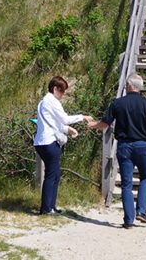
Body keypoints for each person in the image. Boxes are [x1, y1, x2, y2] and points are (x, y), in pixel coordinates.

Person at [88, 73, 146, 228]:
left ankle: (128, 220)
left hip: (124, 146)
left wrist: (92, 124)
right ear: (139, 87)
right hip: (142, 145)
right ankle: (141, 211)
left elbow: (105, 124)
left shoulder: (117, 103)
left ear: (128, 85)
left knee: (126, 183)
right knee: (145, 178)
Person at [33, 76, 92, 215]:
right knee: (52, 174)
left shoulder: (43, 102)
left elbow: (53, 122)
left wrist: (67, 130)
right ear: (55, 89)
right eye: (62, 91)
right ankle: (47, 208)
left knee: (55, 174)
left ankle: (51, 206)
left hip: (42, 142)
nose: (62, 95)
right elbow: (64, 119)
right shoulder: (52, 101)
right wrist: (82, 117)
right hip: (49, 142)